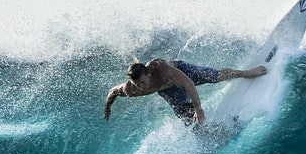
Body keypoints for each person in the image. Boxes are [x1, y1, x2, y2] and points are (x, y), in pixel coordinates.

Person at [103, 58, 267, 125]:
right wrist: (108, 107)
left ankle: (246, 73)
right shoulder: (131, 89)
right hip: (168, 92)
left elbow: (188, 83)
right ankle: (211, 132)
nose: (141, 87)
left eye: (143, 82)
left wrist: (198, 107)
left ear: (148, 73)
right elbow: (113, 91)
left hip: (182, 73)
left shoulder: (160, 67)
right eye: (137, 84)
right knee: (187, 118)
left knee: (215, 76)